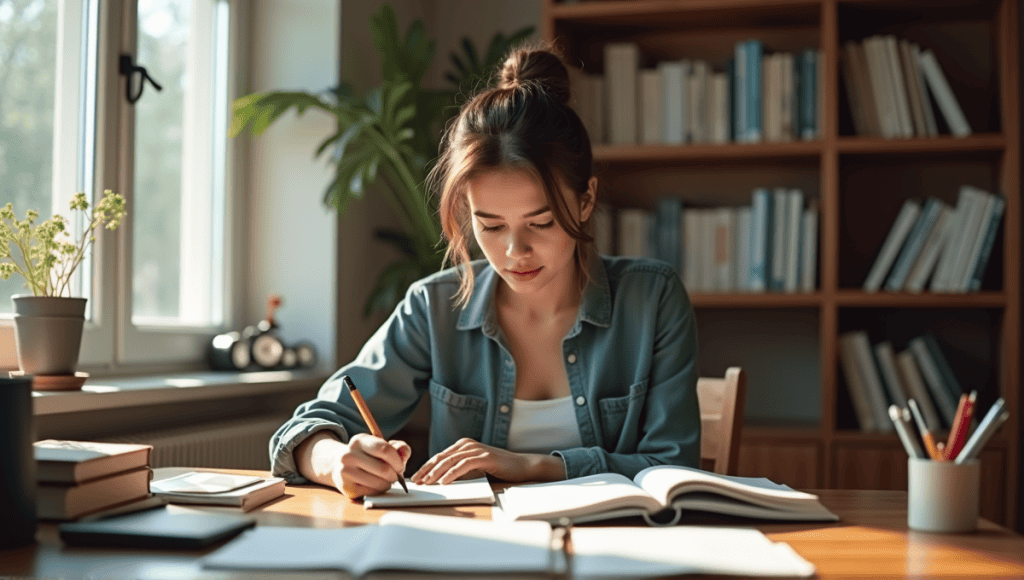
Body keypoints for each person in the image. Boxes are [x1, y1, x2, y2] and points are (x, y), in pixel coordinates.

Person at [269, 45, 700, 499]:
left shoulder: (652, 299)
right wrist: (337, 461)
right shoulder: (434, 306)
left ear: (587, 200)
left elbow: (673, 464)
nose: (516, 251)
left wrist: (527, 465)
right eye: (490, 225)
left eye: (542, 222)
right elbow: (306, 429)